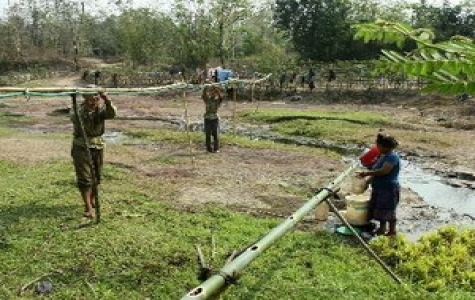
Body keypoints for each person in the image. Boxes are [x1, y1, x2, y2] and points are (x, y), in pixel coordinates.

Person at [70, 88, 117, 219]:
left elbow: (112, 114)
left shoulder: (101, 109)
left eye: (96, 99)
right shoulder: (78, 110)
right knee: (85, 178)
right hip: (82, 146)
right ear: (85, 99)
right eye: (91, 99)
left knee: (97, 176)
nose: (94, 102)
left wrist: (107, 100)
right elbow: (74, 118)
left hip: (98, 145)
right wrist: (88, 111)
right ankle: (88, 207)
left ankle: (92, 199)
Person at [357, 134, 400, 237]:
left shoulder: (392, 157)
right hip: (379, 187)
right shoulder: (383, 156)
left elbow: (384, 171)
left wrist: (367, 174)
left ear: (386, 147)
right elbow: (376, 170)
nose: (377, 148)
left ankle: (392, 231)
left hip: (388, 188)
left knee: (388, 209)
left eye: (379, 146)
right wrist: (367, 182)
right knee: (380, 209)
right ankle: (382, 229)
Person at [202, 85, 223, 153]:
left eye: (214, 93)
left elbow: (221, 98)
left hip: (214, 118)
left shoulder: (217, 101)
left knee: (215, 134)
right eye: (211, 92)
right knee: (207, 134)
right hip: (207, 118)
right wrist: (206, 87)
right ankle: (209, 149)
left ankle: (216, 148)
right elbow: (203, 95)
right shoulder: (207, 100)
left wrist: (216, 89)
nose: (212, 94)